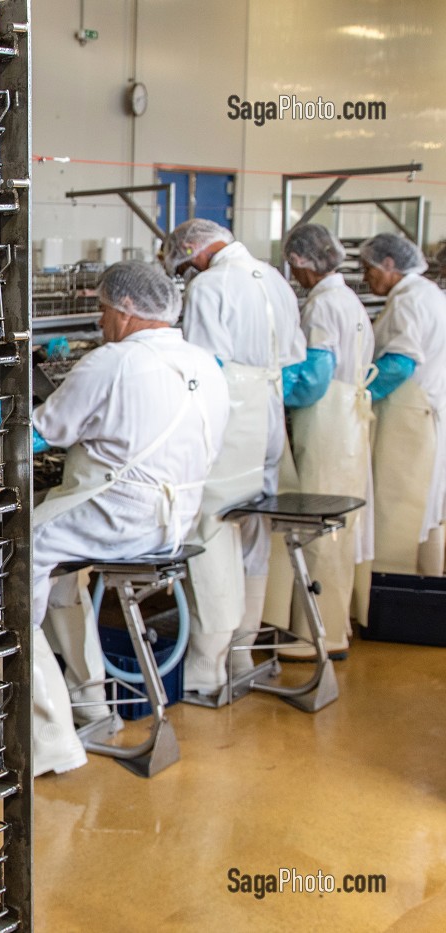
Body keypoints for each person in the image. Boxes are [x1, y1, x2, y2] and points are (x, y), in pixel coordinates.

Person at [29, 261, 228, 775]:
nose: (100, 321)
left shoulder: (112, 363)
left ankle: (48, 734)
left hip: (119, 517)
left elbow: (44, 432)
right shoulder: (206, 364)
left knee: (12, 556)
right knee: (61, 575)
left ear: (127, 309)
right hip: (175, 521)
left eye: (102, 310)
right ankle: (90, 700)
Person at [164, 219, 306, 694]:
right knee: (254, 525)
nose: (188, 274)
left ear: (193, 252)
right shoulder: (275, 278)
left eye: (186, 265)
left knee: (214, 525)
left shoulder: (209, 286)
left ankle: (208, 664)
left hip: (232, 415)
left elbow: (205, 369)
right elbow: (293, 356)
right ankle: (245, 651)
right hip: (269, 411)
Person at [277, 223, 374, 658]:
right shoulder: (348, 299)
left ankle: (314, 634)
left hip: (327, 425)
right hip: (348, 424)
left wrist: (270, 388)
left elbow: (314, 381)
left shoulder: (321, 307)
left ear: (300, 263)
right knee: (340, 527)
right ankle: (334, 625)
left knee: (318, 530)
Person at [360, 233, 446, 576]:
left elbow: (400, 363)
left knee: (399, 510)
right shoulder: (429, 294)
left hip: (408, 417)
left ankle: (395, 592)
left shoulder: (409, 300)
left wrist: (359, 396)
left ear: (390, 264)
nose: (367, 277)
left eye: (369, 270)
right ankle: (428, 584)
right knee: (428, 508)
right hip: (426, 414)